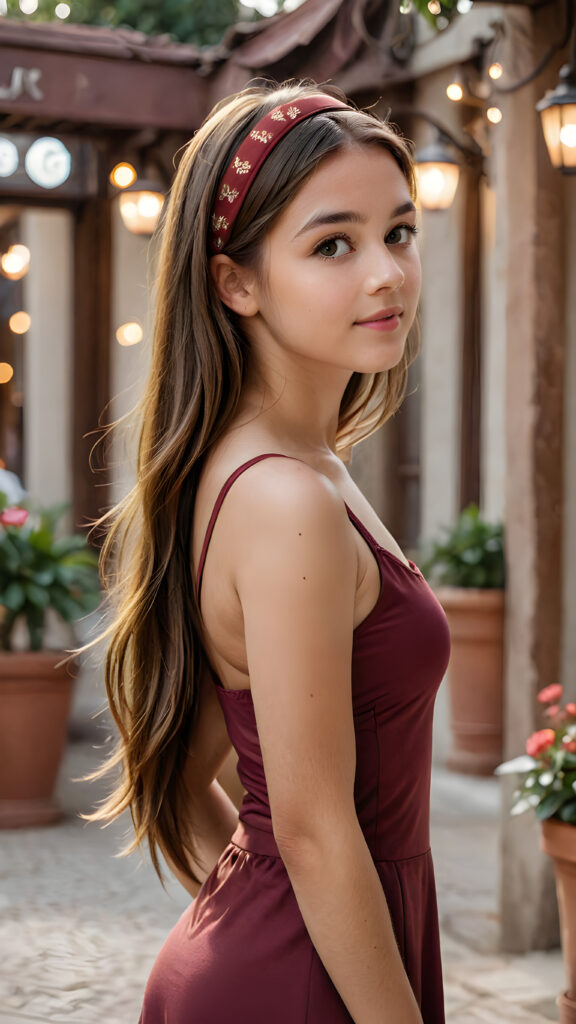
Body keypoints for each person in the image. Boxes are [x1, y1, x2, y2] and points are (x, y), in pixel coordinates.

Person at [88, 80, 451, 1023]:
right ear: (235, 280)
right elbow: (317, 832)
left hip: (290, 963)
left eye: (400, 232)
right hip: (296, 984)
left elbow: (183, 765)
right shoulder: (285, 496)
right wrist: (277, 927)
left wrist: (257, 909)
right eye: (334, 243)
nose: (386, 273)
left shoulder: (298, 465)